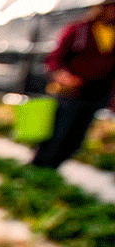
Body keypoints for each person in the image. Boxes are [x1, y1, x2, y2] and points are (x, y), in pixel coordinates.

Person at [32, 0, 115, 169]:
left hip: (98, 92)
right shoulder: (80, 29)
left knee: (77, 135)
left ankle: (55, 167)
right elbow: (55, 57)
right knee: (58, 131)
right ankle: (39, 166)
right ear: (102, 7)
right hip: (72, 91)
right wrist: (62, 74)